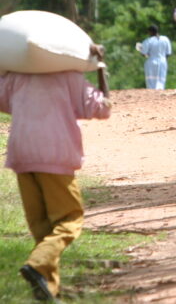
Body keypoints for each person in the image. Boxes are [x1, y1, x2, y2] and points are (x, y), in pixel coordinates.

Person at [1, 44, 111, 302]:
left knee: (42, 226)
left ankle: (48, 289)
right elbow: (103, 108)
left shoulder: (16, 76)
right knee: (70, 219)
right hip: (55, 155)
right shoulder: (70, 78)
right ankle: (38, 264)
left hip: (22, 153)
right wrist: (100, 68)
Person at [139, 24, 171, 89]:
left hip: (152, 61)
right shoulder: (165, 39)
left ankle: (152, 94)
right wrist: (164, 60)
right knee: (161, 79)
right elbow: (168, 53)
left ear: (150, 32)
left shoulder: (148, 41)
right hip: (163, 61)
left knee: (151, 80)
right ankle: (160, 93)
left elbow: (143, 53)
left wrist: (141, 50)